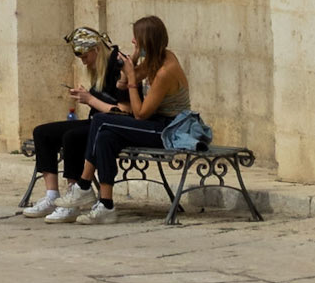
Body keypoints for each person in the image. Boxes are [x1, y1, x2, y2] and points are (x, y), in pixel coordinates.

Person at [55, 15, 192, 224]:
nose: (133, 42)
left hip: (169, 130)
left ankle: (83, 185)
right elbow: (124, 82)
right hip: (156, 123)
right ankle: (106, 205)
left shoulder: (166, 70)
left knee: (101, 120)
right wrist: (134, 59)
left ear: (147, 42)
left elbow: (140, 114)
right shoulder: (156, 59)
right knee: (105, 136)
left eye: (137, 40)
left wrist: (131, 77)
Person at [21, 27, 130, 217]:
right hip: (96, 121)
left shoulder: (118, 65)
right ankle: (52, 196)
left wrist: (90, 99)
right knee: (42, 133)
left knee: (72, 137)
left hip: (111, 127)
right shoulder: (99, 68)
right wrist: (86, 96)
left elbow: (124, 112)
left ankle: (73, 200)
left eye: (85, 57)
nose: (84, 62)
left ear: (96, 50)